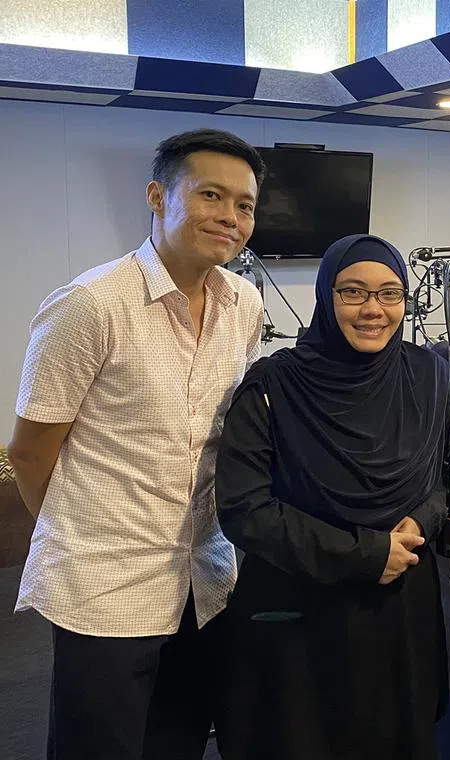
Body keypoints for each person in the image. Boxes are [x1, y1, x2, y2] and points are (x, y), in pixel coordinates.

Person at [7, 128, 265, 759]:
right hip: (105, 586)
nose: (230, 218)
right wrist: (77, 535)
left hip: (203, 577)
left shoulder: (245, 304)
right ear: (157, 195)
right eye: (210, 195)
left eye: (245, 205)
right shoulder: (90, 305)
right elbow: (29, 451)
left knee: (175, 743)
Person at [214, 234, 450, 760]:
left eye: (391, 294)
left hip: (398, 607)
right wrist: (367, 554)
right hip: (300, 610)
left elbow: (444, 476)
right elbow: (243, 510)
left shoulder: (431, 374)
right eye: (353, 292)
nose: (374, 309)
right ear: (326, 298)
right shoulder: (273, 386)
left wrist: (421, 521)